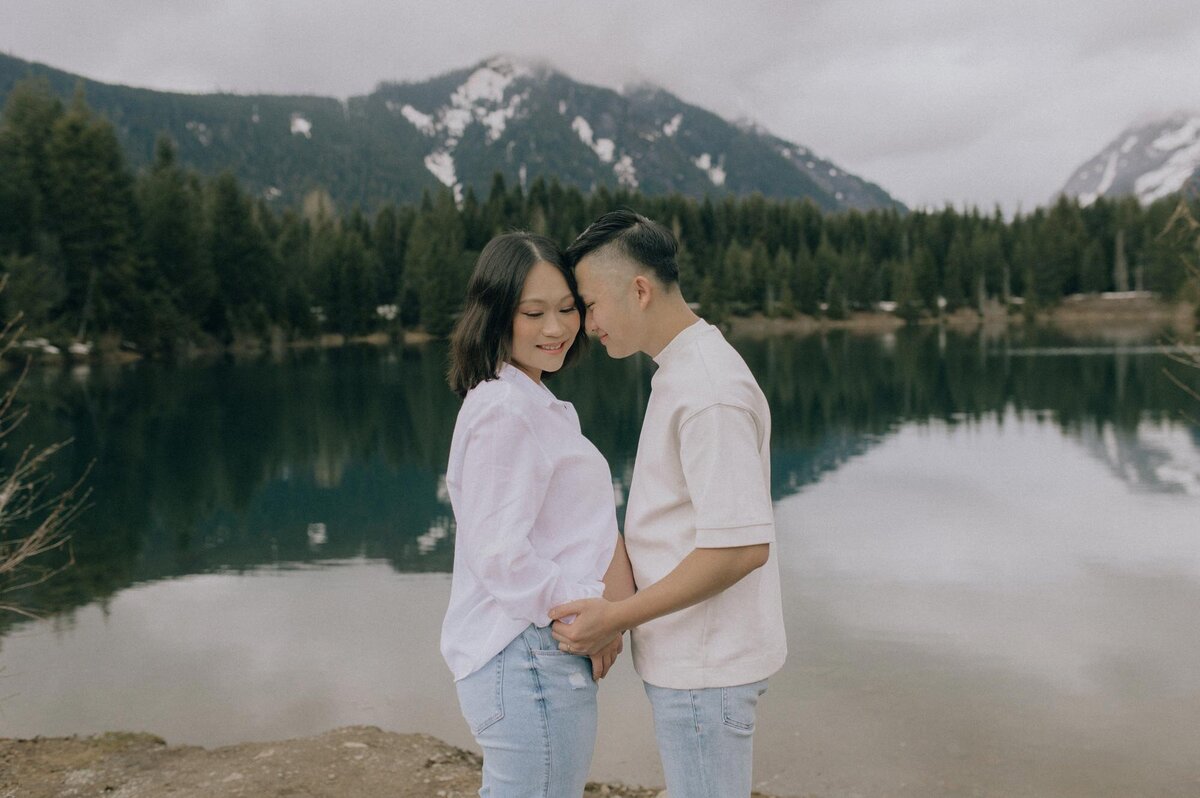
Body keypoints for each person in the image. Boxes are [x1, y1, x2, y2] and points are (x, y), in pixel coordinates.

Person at [548, 210, 787, 797]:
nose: (585, 324)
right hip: (694, 665)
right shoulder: (682, 372)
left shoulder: (708, 390)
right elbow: (674, 524)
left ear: (639, 289)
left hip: (707, 670)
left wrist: (616, 617)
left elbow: (740, 549)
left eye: (589, 304)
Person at [440, 231, 632, 797]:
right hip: (529, 654)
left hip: (534, 652)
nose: (556, 328)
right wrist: (590, 620)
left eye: (568, 308)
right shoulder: (506, 410)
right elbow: (500, 557)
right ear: (496, 315)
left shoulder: (527, 402)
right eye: (534, 312)